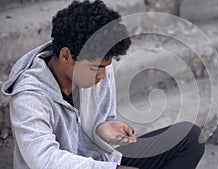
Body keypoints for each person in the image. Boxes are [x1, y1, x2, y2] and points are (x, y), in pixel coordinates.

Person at [1, 0, 205, 169]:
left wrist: (105, 128)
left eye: (105, 66)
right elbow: (43, 159)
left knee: (189, 138)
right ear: (66, 56)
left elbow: (100, 121)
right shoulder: (29, 97)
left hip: (100, 158)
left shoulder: (98, 66)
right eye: (95, 68)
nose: (102, 75)